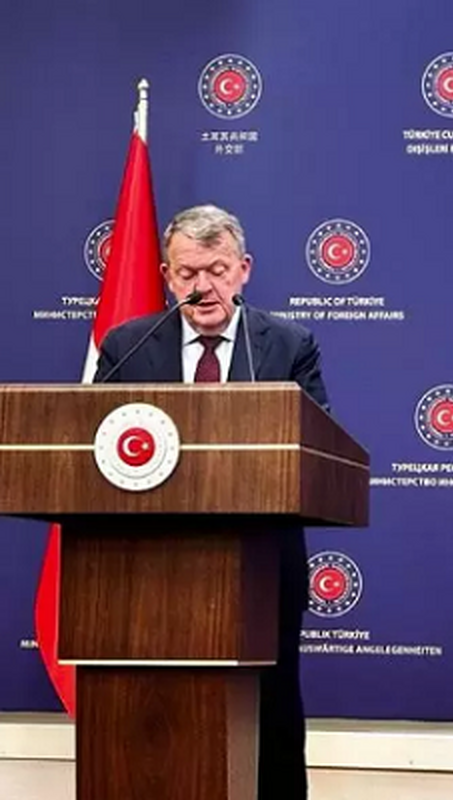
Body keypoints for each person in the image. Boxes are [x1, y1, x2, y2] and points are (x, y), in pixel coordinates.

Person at [96, 203, 325, 800]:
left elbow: (315, 450)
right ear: (167, 276)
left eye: (217, 271)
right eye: (188, 273)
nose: (203, 287)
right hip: (149, 568)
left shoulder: (288, 345)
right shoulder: (128, 345)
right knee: (154, 711)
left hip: (262, 564)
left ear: (243, 270)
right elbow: (93, 447)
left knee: (270, 708)